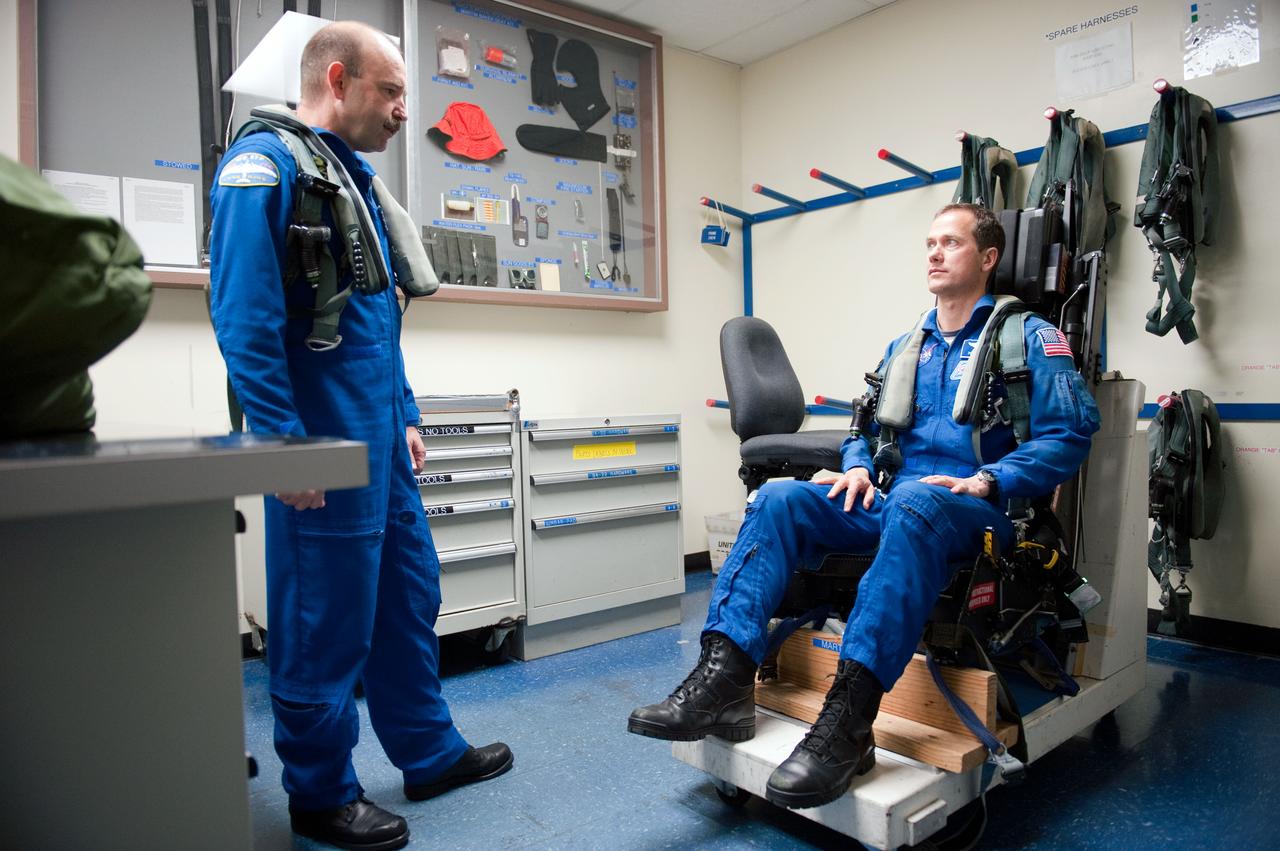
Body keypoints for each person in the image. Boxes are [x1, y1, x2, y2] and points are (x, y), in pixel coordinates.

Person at [627, 203, 1100, 809]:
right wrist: (854, 467)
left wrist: (991, 480)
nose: (933, 253)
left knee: (914, 506)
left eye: (950, 243)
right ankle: (725, 679)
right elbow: (864, 430)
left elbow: (1068, 437)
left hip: (976, 512)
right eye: (929, 242)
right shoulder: (907, 344)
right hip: (897, 501)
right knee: (778, 498)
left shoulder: (1029, 339)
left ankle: (848, 726)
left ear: (987, 259)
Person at [210, 21, 511, 850]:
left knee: (408, 597)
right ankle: (320, 792)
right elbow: (243, 319)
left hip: (379, 439)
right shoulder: (261, 167)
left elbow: (376, 319)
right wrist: (281, 442)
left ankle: (428, 749)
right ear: (337, 79)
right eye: (392, 92)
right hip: (322, 445)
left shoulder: (349, 179)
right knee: (324, 618)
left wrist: (407, 416)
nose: (404, 111)